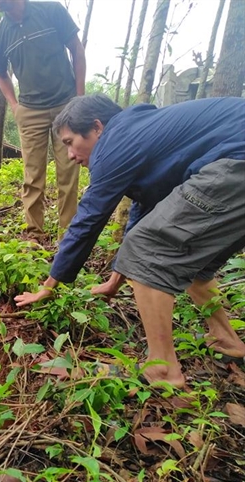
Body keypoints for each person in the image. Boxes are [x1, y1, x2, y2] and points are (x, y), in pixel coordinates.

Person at [14, 94, 245, 388]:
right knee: (188, 257)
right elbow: (143, 214)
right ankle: (225, 339)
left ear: (97, 127)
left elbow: (88, 219)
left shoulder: (114, 141)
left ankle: (162, 371)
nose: (71, 155)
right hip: (235, 163)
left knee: (149, 250)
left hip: (235, 163)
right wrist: (115, 281)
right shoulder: (139, 133)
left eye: (71, 142)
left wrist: (49, 286)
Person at [0, 0, 86, 241]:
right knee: (32, 177)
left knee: (68, 174)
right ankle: (34, 236)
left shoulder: (51, 11)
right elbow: (2, 75)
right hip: (30, 111)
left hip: (66, 104)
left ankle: (68, 238)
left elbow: (76, 48)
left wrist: (80, 97)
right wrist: (15, 106)